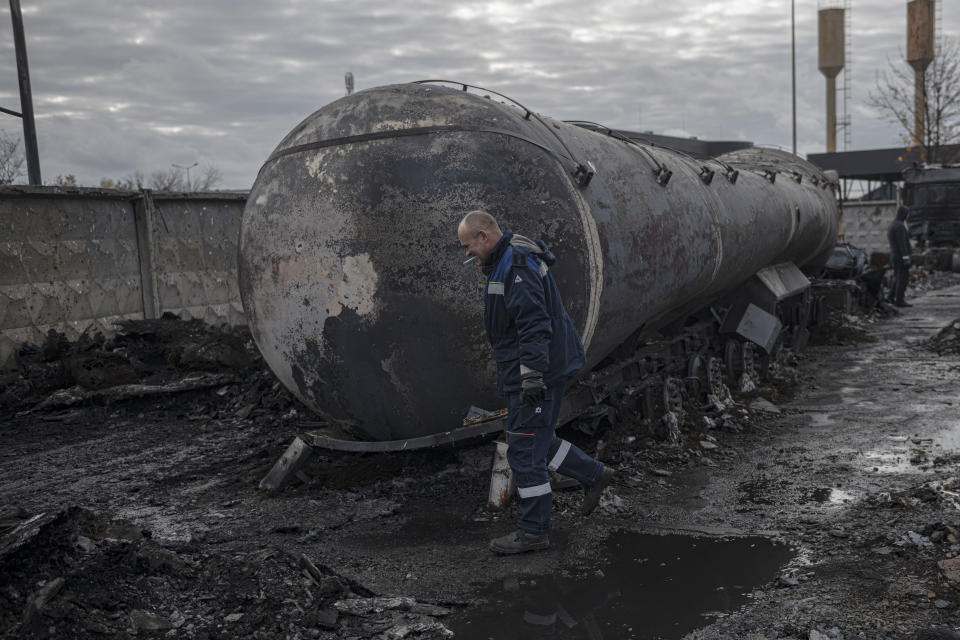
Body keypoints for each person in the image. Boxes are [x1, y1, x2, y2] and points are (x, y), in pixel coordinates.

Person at [457, 210, 615, 555]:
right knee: (538, 439)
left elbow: (533, 324)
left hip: (535, 374)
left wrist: (531, 376)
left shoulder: (515, 266)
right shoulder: (510, 259)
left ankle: (533, 531)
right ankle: (593, 475)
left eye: (468, 246)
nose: (467, 254)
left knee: (524, 450)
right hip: (534, 369)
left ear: (484, 236)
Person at [887, 205, 913, 308]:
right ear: (903, 214)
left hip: (895, 255)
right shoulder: (900, 226)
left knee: (897, 277)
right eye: (907, 213)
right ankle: (900, 300)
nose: (908, 215)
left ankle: (891, 297)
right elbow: (902, 244)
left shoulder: (893, 224)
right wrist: (906, 258)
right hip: (900, 257)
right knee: (902, 278)